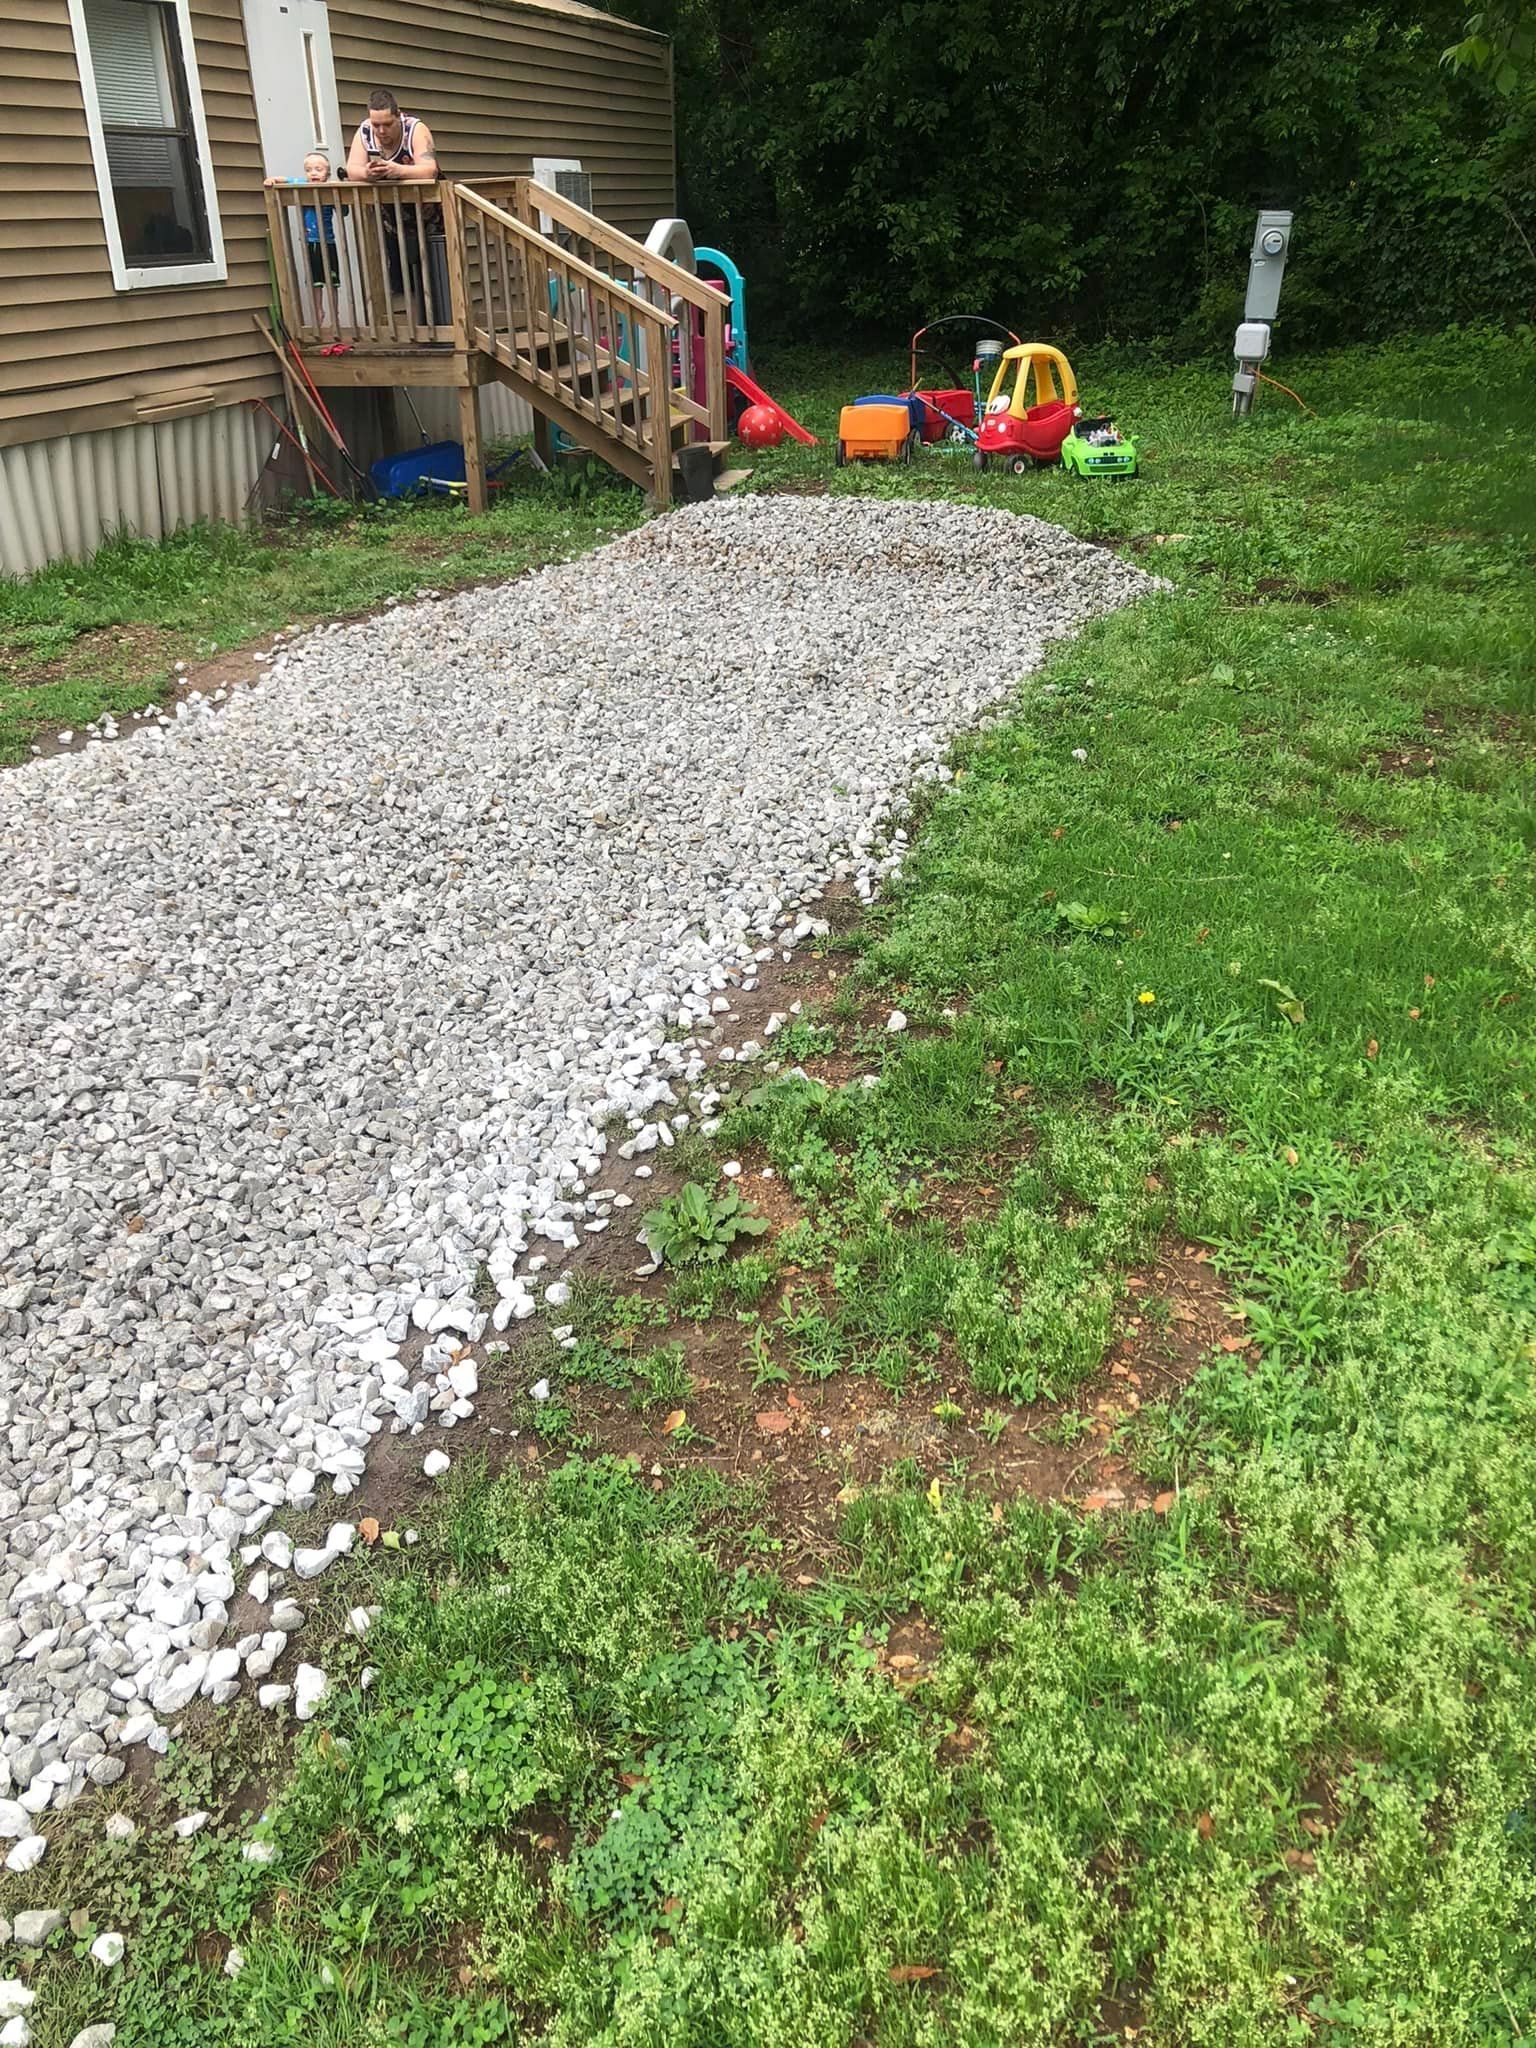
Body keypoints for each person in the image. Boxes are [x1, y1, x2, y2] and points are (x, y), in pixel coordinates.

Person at [345, 90, 438, 299]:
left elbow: (429, 169)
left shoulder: (415, 129)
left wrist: (398, 170)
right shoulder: (365, 132)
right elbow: (352, 169)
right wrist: (367, 173)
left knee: (435, 278)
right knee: (404, 283)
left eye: (387, 124)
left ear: (399, 116)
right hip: (393, 219)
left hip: (430, 217)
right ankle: (416, 328)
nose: (381, 130)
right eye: (376, 124)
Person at [264, 151, 339, 287]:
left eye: (318, 169)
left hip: (328, 240)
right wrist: (272, 180)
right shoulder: (303, 185)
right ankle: (318, 309)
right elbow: (286, 179)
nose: (313, 173)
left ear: (327, 173)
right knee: (315, 281)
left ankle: (335, 308)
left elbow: (343, 212)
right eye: (308, 170)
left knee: (333, 280)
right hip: (310, 240)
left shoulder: (330, 189)